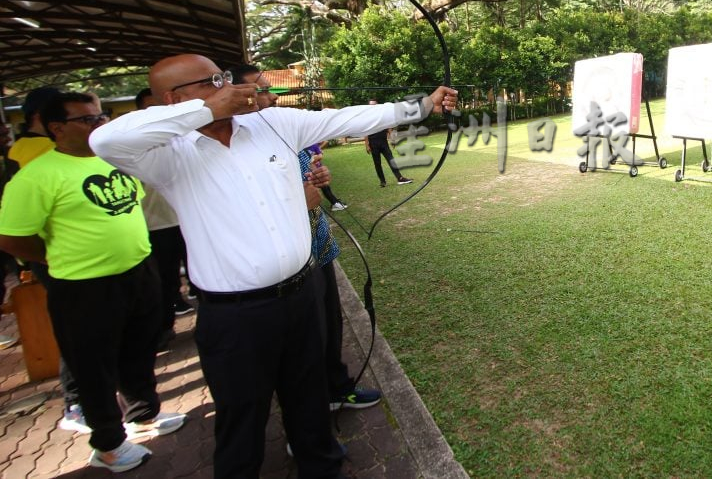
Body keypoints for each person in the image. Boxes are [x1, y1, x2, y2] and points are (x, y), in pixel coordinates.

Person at [89, 54, 457, 478]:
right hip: (234, 317)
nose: (227, 85)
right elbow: (105, 141)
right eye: (212, 80)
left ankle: (321, 467)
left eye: (224, 77)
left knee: (310, 403)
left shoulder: (273, 125)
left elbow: (348, 118)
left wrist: (424, 105)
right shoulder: (164, 154)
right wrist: (208, 109)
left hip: (300, 296)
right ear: (173, 98)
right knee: (242, 419)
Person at [0, 92, 185, 473]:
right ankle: (108, 444)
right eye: (87, 119)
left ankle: (142, 416)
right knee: (93, 365)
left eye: (101, 116)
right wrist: (52, 257)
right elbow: (13, 237)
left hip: (137, 271)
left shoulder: (112, 159)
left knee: (139, 348)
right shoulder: (37, 174)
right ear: (57, 128)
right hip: (84, 285)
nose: (99, 124)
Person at [231, 65, 382, 413]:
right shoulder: (233, 145)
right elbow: (252, 212)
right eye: (262, 89)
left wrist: (317, 177)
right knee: (305, 342)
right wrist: (297, 202)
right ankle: (310, 413)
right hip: (289, 263)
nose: (272, 96)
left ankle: (336, 388)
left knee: (329, 325)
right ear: (235, 94)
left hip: (318, 246)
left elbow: (307, 169)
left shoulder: (278, 130)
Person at [2, 86, 88, 432]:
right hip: (60, 257)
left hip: (87, 256)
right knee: (77, 330)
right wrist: (45, 256)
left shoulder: (65, 151)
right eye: (85, 118)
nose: (95, 125)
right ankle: (76, 403)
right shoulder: (30, 153)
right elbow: (17, 227)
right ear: (48, 119)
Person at [135, 89, 194, 351]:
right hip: (156, 225)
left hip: (188, 220)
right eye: (149, 108)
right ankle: (164, 327)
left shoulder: (184, 137)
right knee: (165, 280)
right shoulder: (134, 146)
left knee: (197, 272)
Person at [364, 100, 412, 187]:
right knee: (377, 163)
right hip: (373, 144)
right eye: (371, 105)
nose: (373, 106)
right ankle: (382, 181)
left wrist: (392, 140)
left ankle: (400, 178)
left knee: (391, 160)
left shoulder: (382, 116)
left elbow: (389, 129)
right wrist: (367, 145)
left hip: (383, 142)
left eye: (375, 105)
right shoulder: (367, 117)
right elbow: (366, 132)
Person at [305, 141, 348, 210]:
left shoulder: (314, 145)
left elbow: (320, 155)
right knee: (324, 189)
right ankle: (335, 203)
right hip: (312, 173)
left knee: (327, 187)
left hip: (319, 169)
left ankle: (335, 202)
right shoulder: (302, 149)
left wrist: (313, 158)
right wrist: (313, 159)